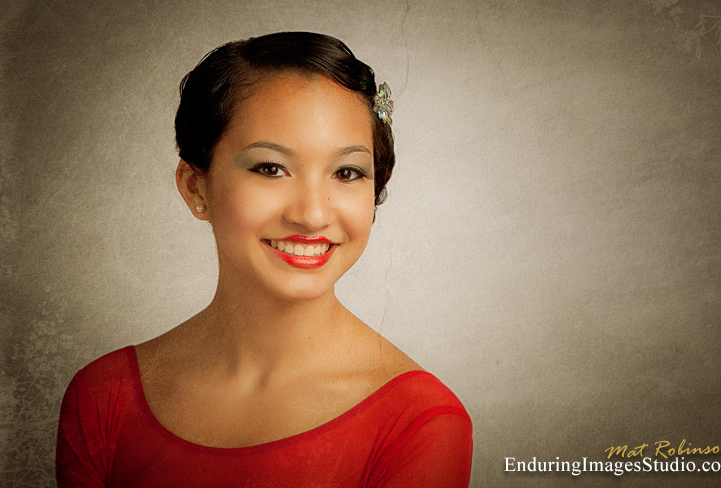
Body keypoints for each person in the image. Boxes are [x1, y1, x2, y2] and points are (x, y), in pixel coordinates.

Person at [55, 31, 473, 487]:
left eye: (347, 172)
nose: (312, 214)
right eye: (270, 168)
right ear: (196, 188)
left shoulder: (421, 422)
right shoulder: (102, 399)